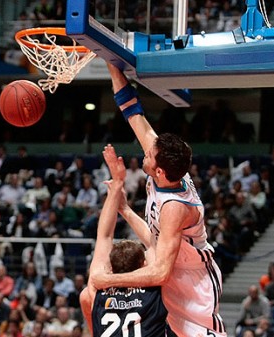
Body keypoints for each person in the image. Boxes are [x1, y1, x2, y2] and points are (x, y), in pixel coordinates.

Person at [91, 64, 227, 336]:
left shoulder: (174, 209)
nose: (145, 152)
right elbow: (133, 112)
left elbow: (161, 271)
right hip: (172, 266)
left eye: (149, 156)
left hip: (192, 280)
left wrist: (109, 280)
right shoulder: (168, 169)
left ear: (159, 171)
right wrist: (110, 62)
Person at [80, 144, 167, 336]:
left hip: (104, 311)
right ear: (144, 264)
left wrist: (117, 184)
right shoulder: (155, 289)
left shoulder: (99, 289)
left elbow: (104, 236)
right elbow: (155, 244)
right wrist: (125, 208)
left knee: (85, 296)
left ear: (110, 266)